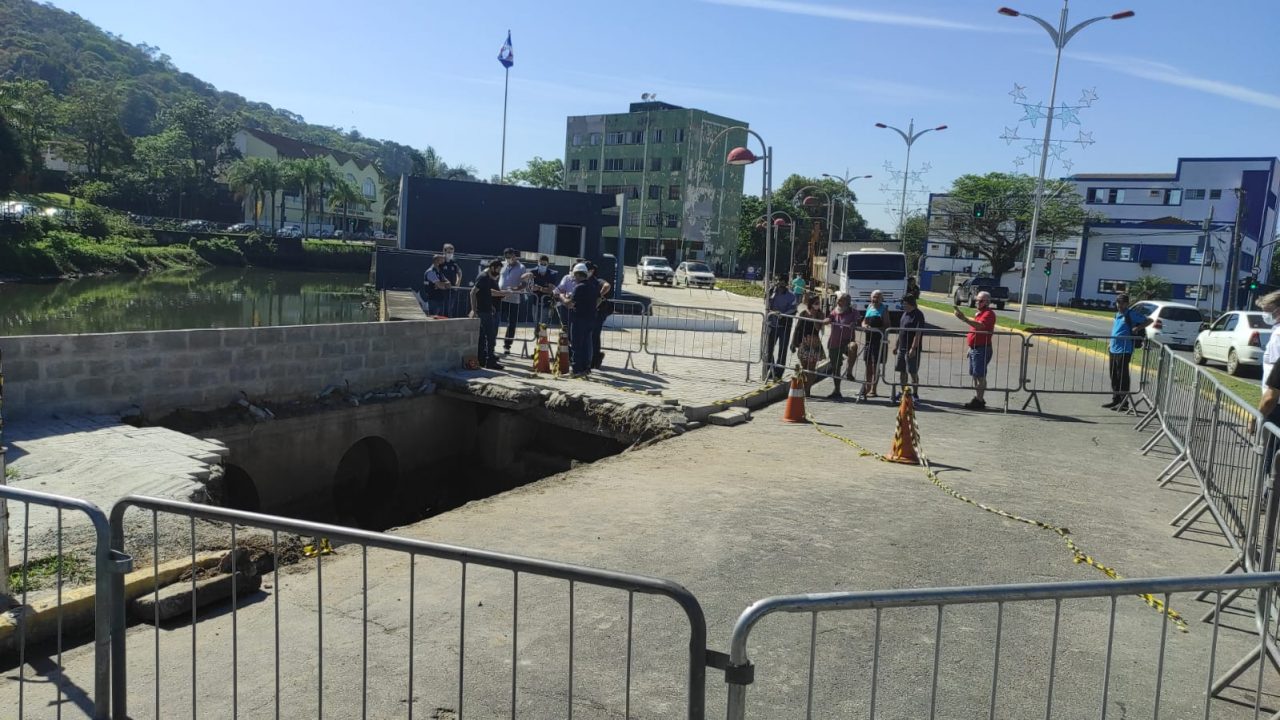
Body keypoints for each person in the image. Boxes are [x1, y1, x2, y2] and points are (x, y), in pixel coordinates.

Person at [1105, 293, 1151, 411]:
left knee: (1122, 376)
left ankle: (1124, 403)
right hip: (1114, 348)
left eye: (1122, 303)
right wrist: (1110, 343)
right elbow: (1116, 330)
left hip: (1125, 349)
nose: (1120, 305)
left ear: (1127, 303)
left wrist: (1137, 328)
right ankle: (1115, 399)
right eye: (1118, 302)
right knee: (1114, 375)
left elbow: (1148, 320)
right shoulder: (1117, 315)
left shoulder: (1131, 314)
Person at [954, 290, 997, 410]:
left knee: (980, 375)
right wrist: (970, 347)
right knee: (975, 375)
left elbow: (980, 326)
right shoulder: (979, 313)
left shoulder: (989, 314)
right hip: (975, 348)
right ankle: (979, 398)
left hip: (982, 348)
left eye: (981, 300)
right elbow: (974, 330)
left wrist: (964, 318)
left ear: (987, 302)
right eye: (977, 299)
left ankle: (979, 400)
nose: (977, 302)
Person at [469, 259, 508, 369]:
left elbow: (484, 294)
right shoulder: (484, 277)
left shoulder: (488, 278)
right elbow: (472, 292)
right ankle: (490, 361)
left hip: (487, 310)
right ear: (492, 268)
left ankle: (483, 360)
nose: (499, 272)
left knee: (484, 337)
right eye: (498, 269)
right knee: (490, 337)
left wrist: (490, 305)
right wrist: (474, 310)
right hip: (482, 312)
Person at [564, 263, 601, 376]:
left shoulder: (579, 287)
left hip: (579, 319)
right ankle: (586, 368)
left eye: (575, 275)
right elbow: (599, 300)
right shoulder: (593, 286)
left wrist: (561, 297)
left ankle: (576, 369)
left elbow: (569, 304)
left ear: (578, 275)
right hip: (590, 319)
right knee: (586, 344)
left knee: (576, 344)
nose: (574, 278)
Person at [824, 293, 859, 399]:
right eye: (838, 300)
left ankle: (849, 371)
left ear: (848, 302)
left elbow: (859, 321)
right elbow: (828, 318)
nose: (839, 302)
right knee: (836, 368)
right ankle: (837, 390)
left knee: (853, 346)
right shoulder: (834, 311)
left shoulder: (853, 312)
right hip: (834, 342)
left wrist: (855, 323)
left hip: (847, 341)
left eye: (841, 300)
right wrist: (826, 320)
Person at [893, 295, 925, 403]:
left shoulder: (918, 315)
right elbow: (900, 330)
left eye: (904, 303)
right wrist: (896, 345)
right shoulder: (904, 314)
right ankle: (903, 392)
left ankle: (915, 393)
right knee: (902, 371)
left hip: (912, 349)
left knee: (913, 371)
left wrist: (913, 348)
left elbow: (918, 333)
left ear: (910, 303)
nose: (903, 305)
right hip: (902, 347)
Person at [791, 294, 825, 395]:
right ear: (811, 303)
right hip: (804, 343)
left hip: (814, 343)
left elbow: (818, 328)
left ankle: (807, 390)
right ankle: (803, 387)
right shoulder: (803, 313)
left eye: (819, 303)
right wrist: (793, 342)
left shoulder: (820, 315)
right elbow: (797, 328)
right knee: (804, 367)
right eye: (816, 303)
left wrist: (814, 316)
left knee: (811, 368)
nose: (818, 305)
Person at [765, 277, 798, 380]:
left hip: (784, 326)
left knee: (782, 350)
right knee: (768, 349)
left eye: (782, 284)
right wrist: (769, 295)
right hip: (772, 325)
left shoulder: (791, 296)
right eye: (778, 284)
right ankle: (771, 370)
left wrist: (783, 314)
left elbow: (793, 309)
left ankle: (779, 373)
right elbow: (767, 305)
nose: (780, 286)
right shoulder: (772, 293)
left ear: (786, 285)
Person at [859, 290, 889, 400]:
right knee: (867, 364)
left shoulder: (884, 309)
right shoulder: (869, 307)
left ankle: (873, 389)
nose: (874, 299)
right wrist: (864, 325)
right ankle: (867, 387)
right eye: (873, 297)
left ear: (881, 298)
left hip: (878, 340)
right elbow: (864, 321)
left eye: (877, 297)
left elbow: (887, 325)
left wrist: (876, 329)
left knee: (875, 365)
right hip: (868, 340)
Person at [499, 248, 528, 354]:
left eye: (510, 256)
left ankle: (507, 345)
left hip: (513, 299)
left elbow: (524, 284)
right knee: (495, 320)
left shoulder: (521, 267)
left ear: (515, 256)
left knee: (511, 323)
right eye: (506, 257)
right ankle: (490, 342)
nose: (508, 259)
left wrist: (514, 289)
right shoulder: (502, 265)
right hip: (500, 297)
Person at [586, 262, 613, 370]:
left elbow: (607, 285)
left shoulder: (597, 281)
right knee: (591, 335)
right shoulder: (585, 281)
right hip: (591, 312)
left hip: (600, 312)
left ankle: (595, 358)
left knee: (594, 334)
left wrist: (599, 295)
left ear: (591, 271)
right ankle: (593, 357)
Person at [526, 255, 559, 326]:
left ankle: (542, 336)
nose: (543, 265)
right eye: (541, 264)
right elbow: (526, 283)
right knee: (535, 324)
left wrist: (539, 288)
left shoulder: (552, 274)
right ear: (538, 263)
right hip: (535, 302)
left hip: (546, 303)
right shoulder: (532, 272)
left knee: (543, 325)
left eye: (545, 264)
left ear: (548, 264)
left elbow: (551, 290)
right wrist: (531, 287)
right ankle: (536, 336)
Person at [555, 257, 586, 328]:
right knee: (565, 328)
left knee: (576, 328)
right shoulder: (567, 277)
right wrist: (555, 293)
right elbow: (559, 288)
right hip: (566, 307)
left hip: (578, 308)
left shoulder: (585, 279)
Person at [440, 244, 462, 316]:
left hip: (452, 290)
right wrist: (445, 281)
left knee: (449, 309)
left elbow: (459, 273)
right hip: (442, 289)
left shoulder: (454, 264)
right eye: (448, 252)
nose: (450, 254)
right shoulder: (440, 262)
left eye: (452, 252)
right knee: (441, 309)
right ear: (444, 251)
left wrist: (457, 283)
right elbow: (438, 273)